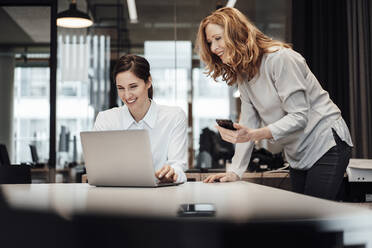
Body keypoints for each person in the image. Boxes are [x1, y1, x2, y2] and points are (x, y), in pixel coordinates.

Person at [196, 7, 353, 200]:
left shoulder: (280, 59)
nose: (213, 48)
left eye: (218, 38)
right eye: (210, 42)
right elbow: (248, 125)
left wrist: (255, 134)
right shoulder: (243, 76)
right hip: (298, 152)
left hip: (326, 142)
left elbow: (299, 117)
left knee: (313, 218)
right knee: (306, 220)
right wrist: (235, 172)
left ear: (236, 33)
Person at [93, 54, 188, 183]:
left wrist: (172, 174)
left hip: (161, 197)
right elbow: (97, 168)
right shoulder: (106, 119)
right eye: (121, 88)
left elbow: (178, 167)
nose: (127, 95)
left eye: (133, 87)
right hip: (115, 197)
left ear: (148, 82)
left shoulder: (174, 117)